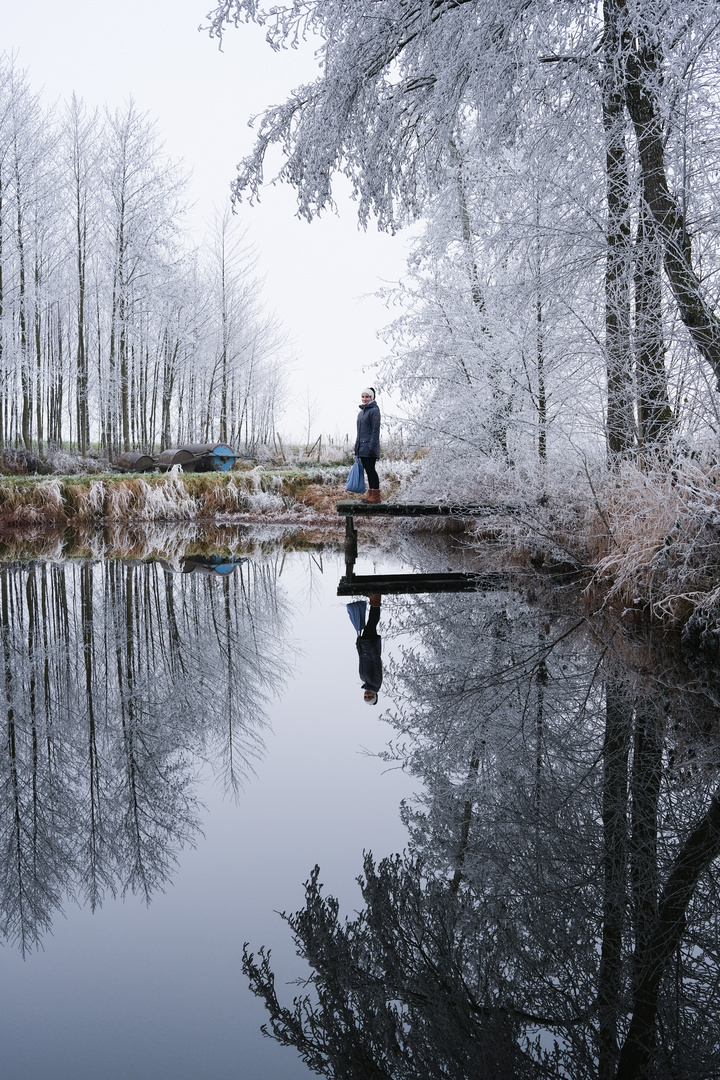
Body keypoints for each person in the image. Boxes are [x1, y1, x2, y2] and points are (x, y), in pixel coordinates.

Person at [354, 387, 381, 503]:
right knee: (367, 470)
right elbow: (359, 432)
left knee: (371, 470)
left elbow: (375, 431)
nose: (364, 399)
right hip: (362, 447)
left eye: (367, 397)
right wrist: (357, 446)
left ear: (372, 398)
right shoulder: (361, 413)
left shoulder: (374, 411)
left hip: (370, 447)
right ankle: (371, 495)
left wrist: (372, 446)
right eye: (363, 396)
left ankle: (375, 495)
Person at [356, 594, 382, 704]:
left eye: (365, 696)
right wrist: (372, 648)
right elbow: (377, 663)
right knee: (372, 623)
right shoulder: (376, 683)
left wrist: (359, 647)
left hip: (364, 647)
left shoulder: (364, 680)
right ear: (374, 695)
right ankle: (375, 599)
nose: (367, 694)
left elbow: (361, 660)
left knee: (370, 624)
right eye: (369, 696)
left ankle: (374, 600)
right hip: (370, 646)